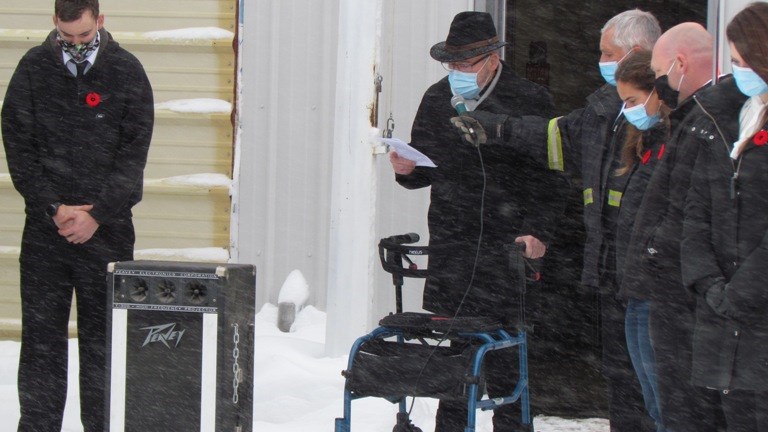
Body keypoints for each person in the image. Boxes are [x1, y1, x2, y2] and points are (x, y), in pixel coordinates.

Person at [451, 9, 662, 431]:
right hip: (613, 273)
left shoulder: (666, 116)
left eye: (608, 53)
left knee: (656, 390)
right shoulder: (606, 109)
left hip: (651, 280)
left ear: (636, 53)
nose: (600, 61)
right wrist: (498, 129)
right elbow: (559, 138)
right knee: (623, 382)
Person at [389, 11, 567, 432]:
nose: (456, 72)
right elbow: (425, 168)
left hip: (509, 246)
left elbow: (553, 177)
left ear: (492, 58)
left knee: (508, 355)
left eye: (465, 63)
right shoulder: (437, 98)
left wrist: (539, 232)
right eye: (451, 64)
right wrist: (406, 170)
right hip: (454, 242)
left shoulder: (530, 99)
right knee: (456, 357)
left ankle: (513, 425)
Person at [1, 0, 154, 430]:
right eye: (67, 37)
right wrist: (54, 207)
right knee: (41, 342)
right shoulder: (32, 69)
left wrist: (97, 214)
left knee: (102, 342)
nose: (75, 44)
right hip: (46, 234)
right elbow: (19, 148)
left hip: (107, 233)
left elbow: (133, 155)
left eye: (84, 35)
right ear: (54, 23)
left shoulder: (126, 71)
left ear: (100, 21)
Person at [621, 22, 727, 432]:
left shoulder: (708, 122)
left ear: (679, 64)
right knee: (660, 401)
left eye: (662, 76)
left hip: (676, 291)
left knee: (676, 408)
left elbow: (694, 212)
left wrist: (657, 250)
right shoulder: (688, 122)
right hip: (654, 285)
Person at [681, 3, 768, 431]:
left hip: (755, 314)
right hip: (726, 318)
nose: (737, 72)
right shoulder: (740, 116)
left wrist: (740, 292)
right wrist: (708, 280)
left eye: (741, 61)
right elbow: (698, 206)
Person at [612, 51, 670, 432]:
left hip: (658, 289)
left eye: (632, 101)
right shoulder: (644, 146)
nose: (626, 110)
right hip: (637, 286)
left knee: (664, 398)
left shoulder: (674, 143)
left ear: (656, 94)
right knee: (651, 397)